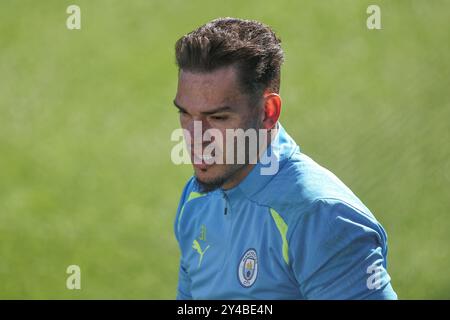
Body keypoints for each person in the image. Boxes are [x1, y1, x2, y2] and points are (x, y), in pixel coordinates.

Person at [172, 17, 397, 299]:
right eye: (185, 113)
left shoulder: (322, 218)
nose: (195, 137)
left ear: (268, 111)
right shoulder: (197, 198)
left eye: (217, 117)